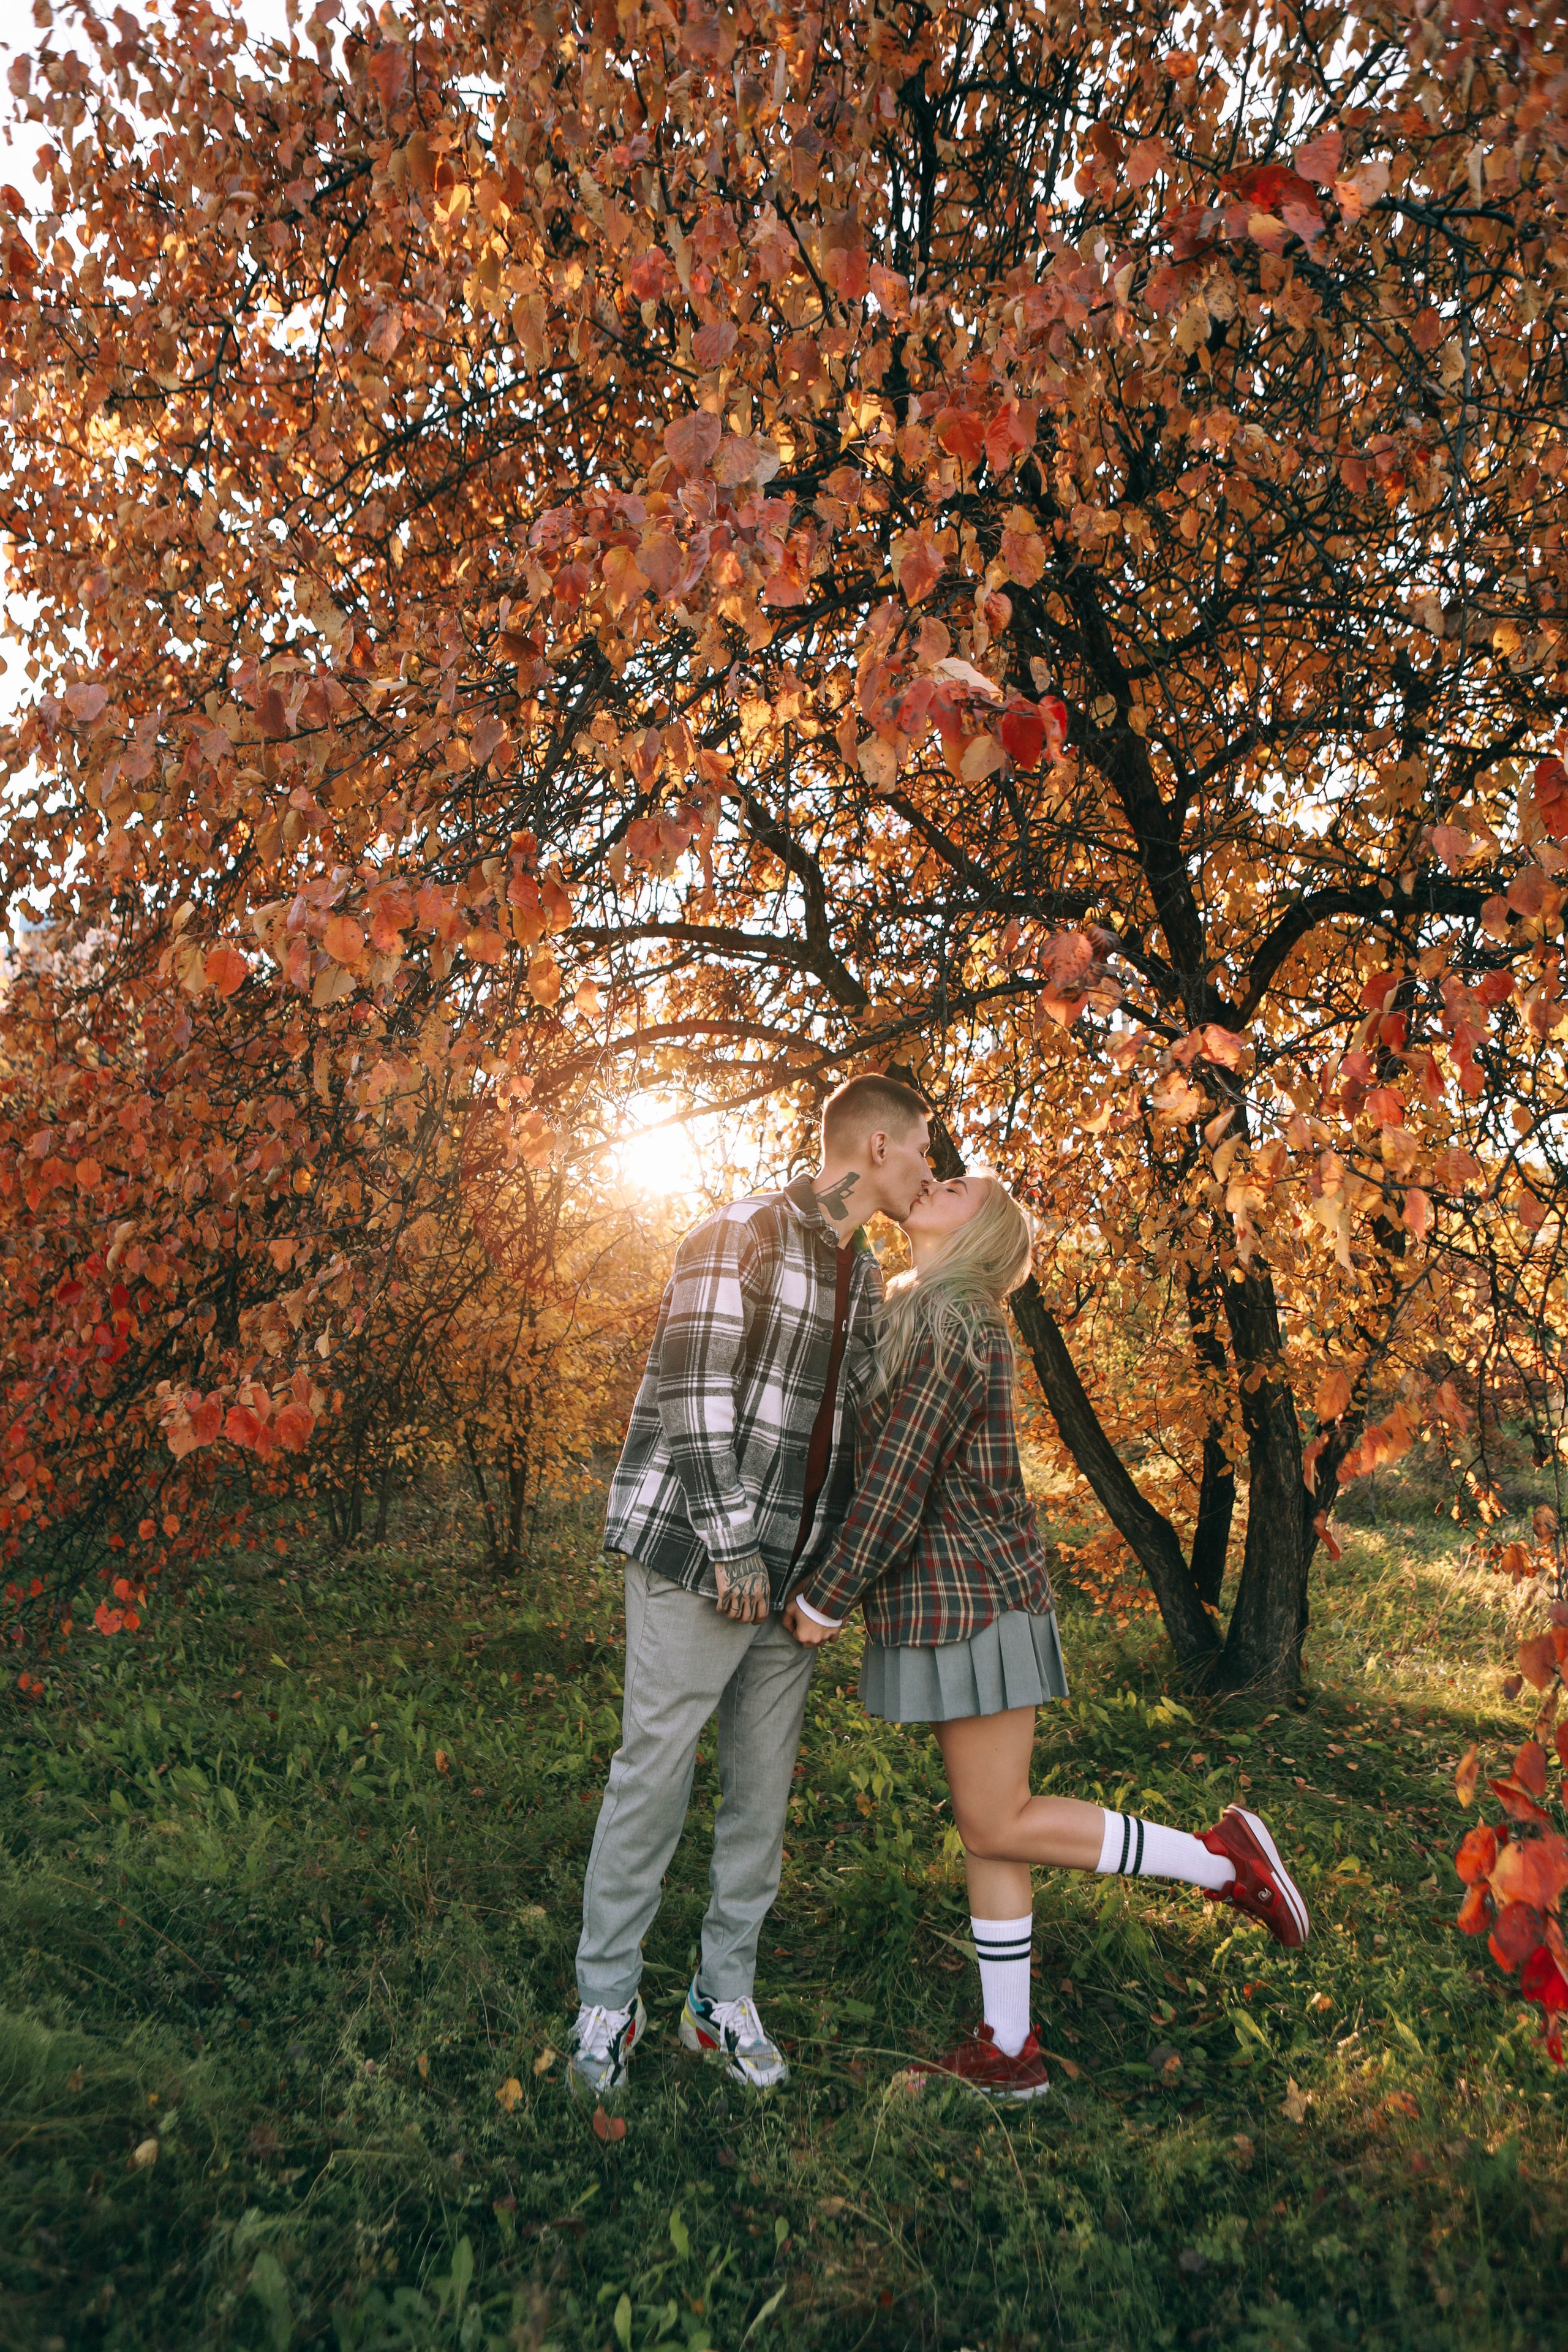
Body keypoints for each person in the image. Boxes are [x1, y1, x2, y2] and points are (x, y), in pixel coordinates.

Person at [785, 1169, 1310, 2101]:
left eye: (953, 1185)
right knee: (991, 1834)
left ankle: (1219, 1859)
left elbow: (901, 1479)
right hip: (946, 1599)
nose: (933, 1181)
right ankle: (1010, 2049)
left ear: (980, 1231)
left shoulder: (962, 1322)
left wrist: (824, 1599)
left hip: (975, 1599)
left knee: (997, 1818)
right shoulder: (915, 1310)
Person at [569, 1074, 937, 2097]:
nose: (928, 1172)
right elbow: (692, 1395)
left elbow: (862, 1410)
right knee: (655, 1770)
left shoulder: (862, 1277)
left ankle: (717, 2000)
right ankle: (606, 1999)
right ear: (872, 1145)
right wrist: (734, 1548)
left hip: (794, 1576)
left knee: (760, 1800)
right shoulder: (739, 1233)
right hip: (700, 1557)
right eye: (923, 1153)